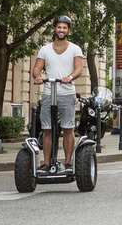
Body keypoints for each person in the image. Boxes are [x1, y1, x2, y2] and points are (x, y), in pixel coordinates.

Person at [32, 15, 83, 173]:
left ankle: (68, 163)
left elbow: (78, 68)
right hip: (48, 92)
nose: (61, 30)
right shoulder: (45, 49)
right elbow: (36, 68)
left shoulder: (75, 49)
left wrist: (70, 77)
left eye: (64, 28)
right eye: (59, 27)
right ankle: (46, 163)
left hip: (67, 93)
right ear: (54, 29)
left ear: (68, 30)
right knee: (47, 129)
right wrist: (38, 77)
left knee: (68, 128)